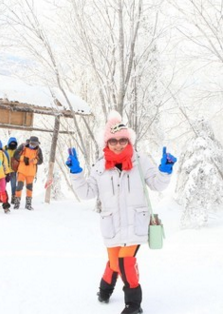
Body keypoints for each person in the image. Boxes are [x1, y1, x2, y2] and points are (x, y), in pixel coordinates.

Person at [65, 111, 176, 314]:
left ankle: (133, 305)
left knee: (126, 261)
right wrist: (76, 173)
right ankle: (104, 290)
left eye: (123, 140)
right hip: (112, 226)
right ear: (106, 143)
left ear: (129, 140)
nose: (118, 144)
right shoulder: (100, 166)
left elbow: (157, 185)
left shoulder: (140, 161)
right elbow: (87, 192)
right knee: (116, 263)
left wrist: (165, 169)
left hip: (136, 223)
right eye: (113, 140)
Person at [13, 136, 43, 210]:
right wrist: (23, 158)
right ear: (29, 142)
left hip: (31, 173)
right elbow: (15, 155)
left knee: (29, 188)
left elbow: (41, 161)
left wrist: (35, 161)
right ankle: (17, 203)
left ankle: (28, 204)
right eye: (32, 144)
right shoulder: (23, 146)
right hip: (22, 171)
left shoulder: (38, 150)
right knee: (19, 187)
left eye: (35, 144)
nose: (33, 145)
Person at [5, 137, 19, 203]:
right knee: (3, 184)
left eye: (14, 143)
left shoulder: (17, 151)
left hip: (13, 170)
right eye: (11, 143)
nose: (13, 144)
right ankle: (2, 197)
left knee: (13, 185)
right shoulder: (5, 150)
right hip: (6, 170)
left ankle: (13, 197)